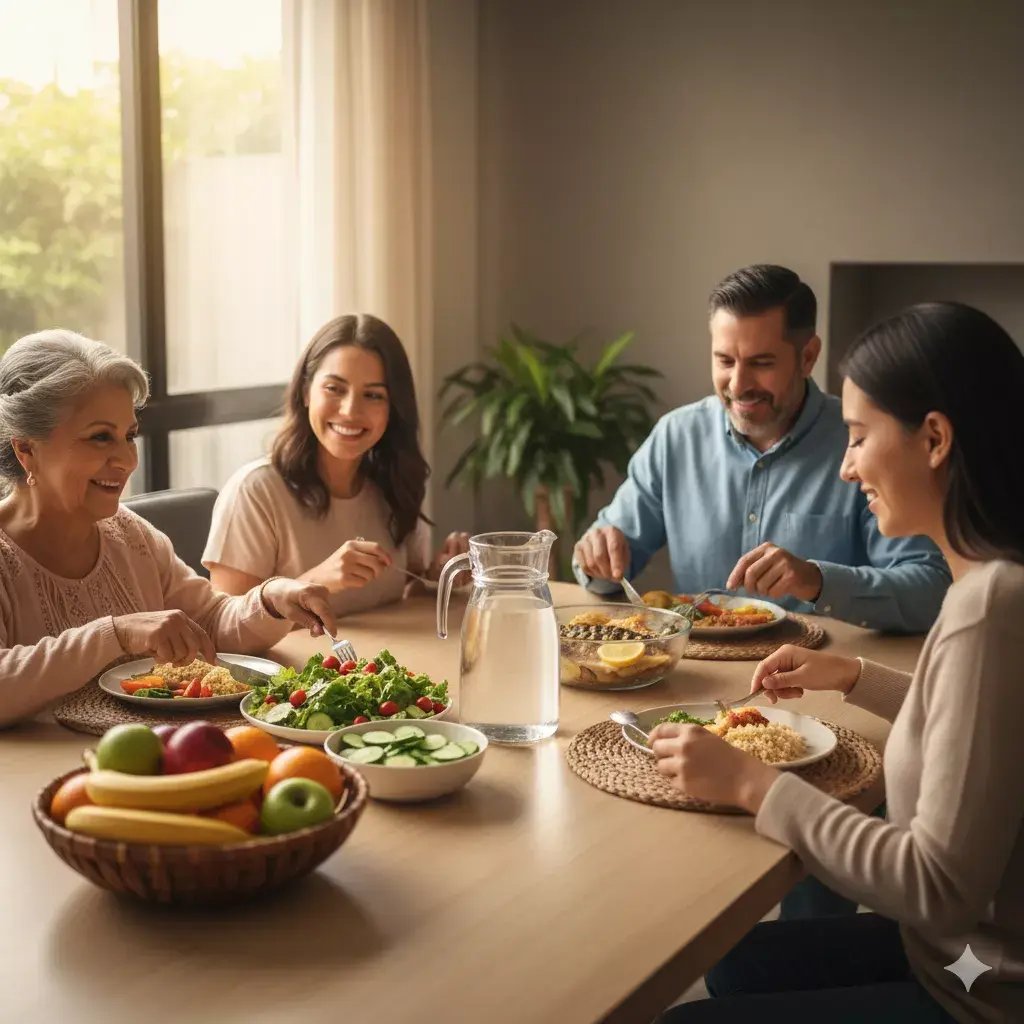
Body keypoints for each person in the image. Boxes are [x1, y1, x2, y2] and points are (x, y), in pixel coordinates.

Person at [654, 302, 1024, 1023]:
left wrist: (753, 784)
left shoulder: (992, 605)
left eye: (858, 438)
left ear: (936, 439)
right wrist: (854, 677)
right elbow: (976, 727)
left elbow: (934, 887)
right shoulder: (990, 584)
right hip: (954, 954)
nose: (848, 466)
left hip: (976, 989)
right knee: (730, 956)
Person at [573, 265, 951, 633]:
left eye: (761, 363)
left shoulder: (863, 445)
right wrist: (596, 559)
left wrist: (818, 581)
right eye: (725, 361)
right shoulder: (676, 437)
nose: (738, 384)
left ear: (808, 356)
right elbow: (606, 566)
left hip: (820, 681)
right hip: (696, 678)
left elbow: (930, 591)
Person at [0, 330, 337, 728]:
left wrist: (270, 599)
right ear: (27, 450)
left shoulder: (131, 536)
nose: (127, 460)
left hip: (158, 769)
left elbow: (210, 622)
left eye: (129, 436)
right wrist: (116, 634)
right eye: (100, 438)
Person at [204, 314, 468, 614]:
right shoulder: (255, 491)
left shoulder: (396, 482)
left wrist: (439, 576)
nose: (350, 410)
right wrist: (318, 581)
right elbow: (222, 626)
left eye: (373, 395)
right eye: (334, 388)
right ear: (306, 392)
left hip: (386, 659)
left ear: (393, 408)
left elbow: (400, 594)